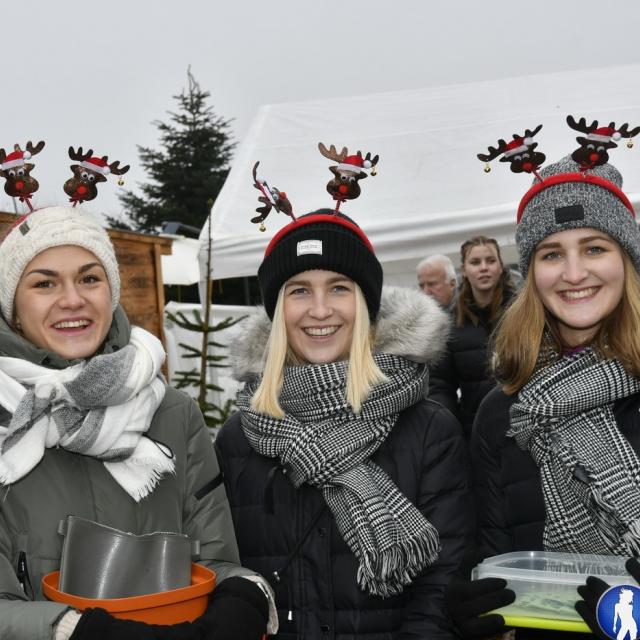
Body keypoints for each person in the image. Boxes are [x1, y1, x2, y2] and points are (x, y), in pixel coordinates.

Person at [0, 206, 273, 640]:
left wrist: (243, 595)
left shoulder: (173, 413)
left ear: (112, 292)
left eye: (90, 278)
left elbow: (214, 558)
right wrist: (72, 629)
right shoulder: (6, 422)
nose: (72, 299)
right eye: (44, 283)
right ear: (13, 306)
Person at [215, 211, 472, 639]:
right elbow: (226, 572)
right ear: (277, 312)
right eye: (299, 291)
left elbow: (443, 585)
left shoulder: (428, 428)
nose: (319, 310)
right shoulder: (239, 436)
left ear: (366, 305)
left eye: (339, 288)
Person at [451, 151, 640, 639]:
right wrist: (477, 615)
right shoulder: (502, 412)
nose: (574, 273)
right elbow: (496, 555)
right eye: (552, 253)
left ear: (627, 258)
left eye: (595, 248)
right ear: (532, 272)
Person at [428, 236, 516, 436]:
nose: (483, 267)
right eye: (475, 262)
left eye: (490, 261)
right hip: (475, 431)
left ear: (500, 266)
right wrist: (448, 425)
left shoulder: (523, 314)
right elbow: (440, 384)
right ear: (464, 270)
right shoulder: (450, 323)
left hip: (522, 425)